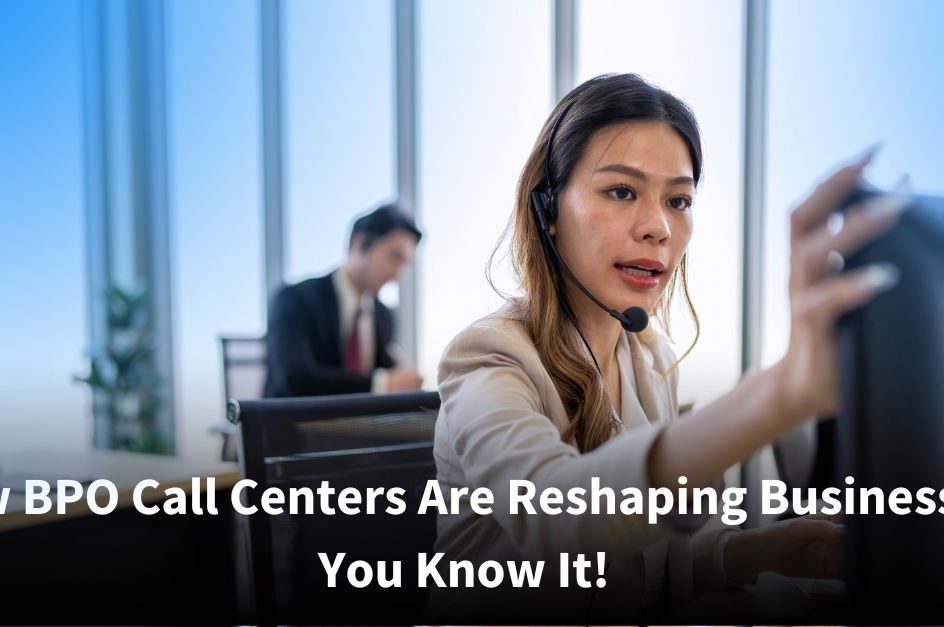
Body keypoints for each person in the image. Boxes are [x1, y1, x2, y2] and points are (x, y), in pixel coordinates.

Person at [427, 74, 903, 622]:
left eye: (678, 200)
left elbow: (642, 562)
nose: (658, 227)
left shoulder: (648, 356)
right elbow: (560, 523)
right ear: (549, 210)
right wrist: (775, 397)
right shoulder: (487, 355)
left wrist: (755, 549)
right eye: (621, 191)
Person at [263, 203, 425, 397]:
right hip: (291, 425)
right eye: (394, 257)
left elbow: (387, 372)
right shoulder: (295, 299)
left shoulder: (383, 316)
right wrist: (382, 384)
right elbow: (295, 377)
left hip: (358, 427)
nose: (397, 275)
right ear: (360, 243)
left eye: (405, 264)